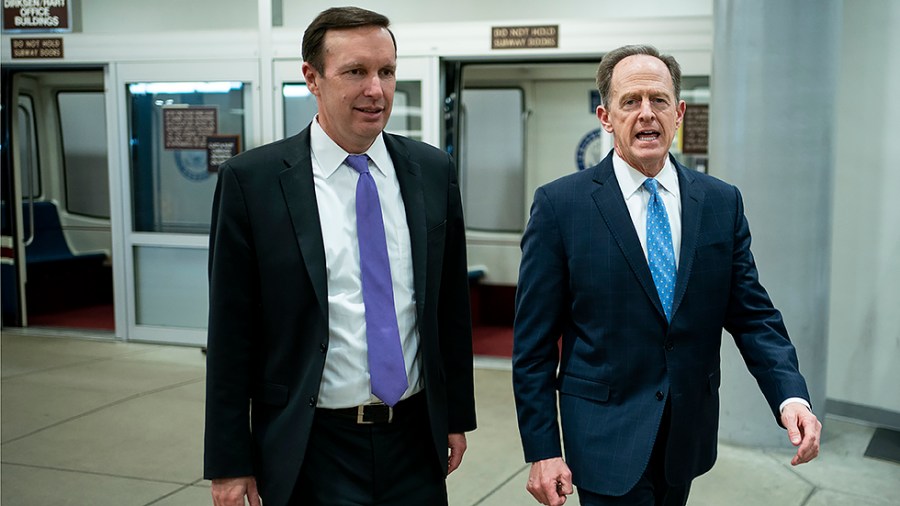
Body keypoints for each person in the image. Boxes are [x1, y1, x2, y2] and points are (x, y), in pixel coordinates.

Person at [512, 44, 821, 506]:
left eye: (658, 100)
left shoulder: (720, 202)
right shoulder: (561, 206)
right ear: (605, 115)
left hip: (686, 437)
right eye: (630, 101)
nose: (646, 114)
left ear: (678, 112)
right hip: (602, 438)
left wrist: (791, 397)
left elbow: (753, 314)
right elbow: (533, 345)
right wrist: (542, 448)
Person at [203, 7, 476, 506]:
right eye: (355, 72)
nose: (376, 89)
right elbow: (229, 331)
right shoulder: (254, 182)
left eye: (386, 72)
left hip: (415, 439)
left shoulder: (432, 171)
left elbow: (449, 309)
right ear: (312, 78)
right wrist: (229, 461)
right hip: (310, 445)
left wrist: (455, 416)